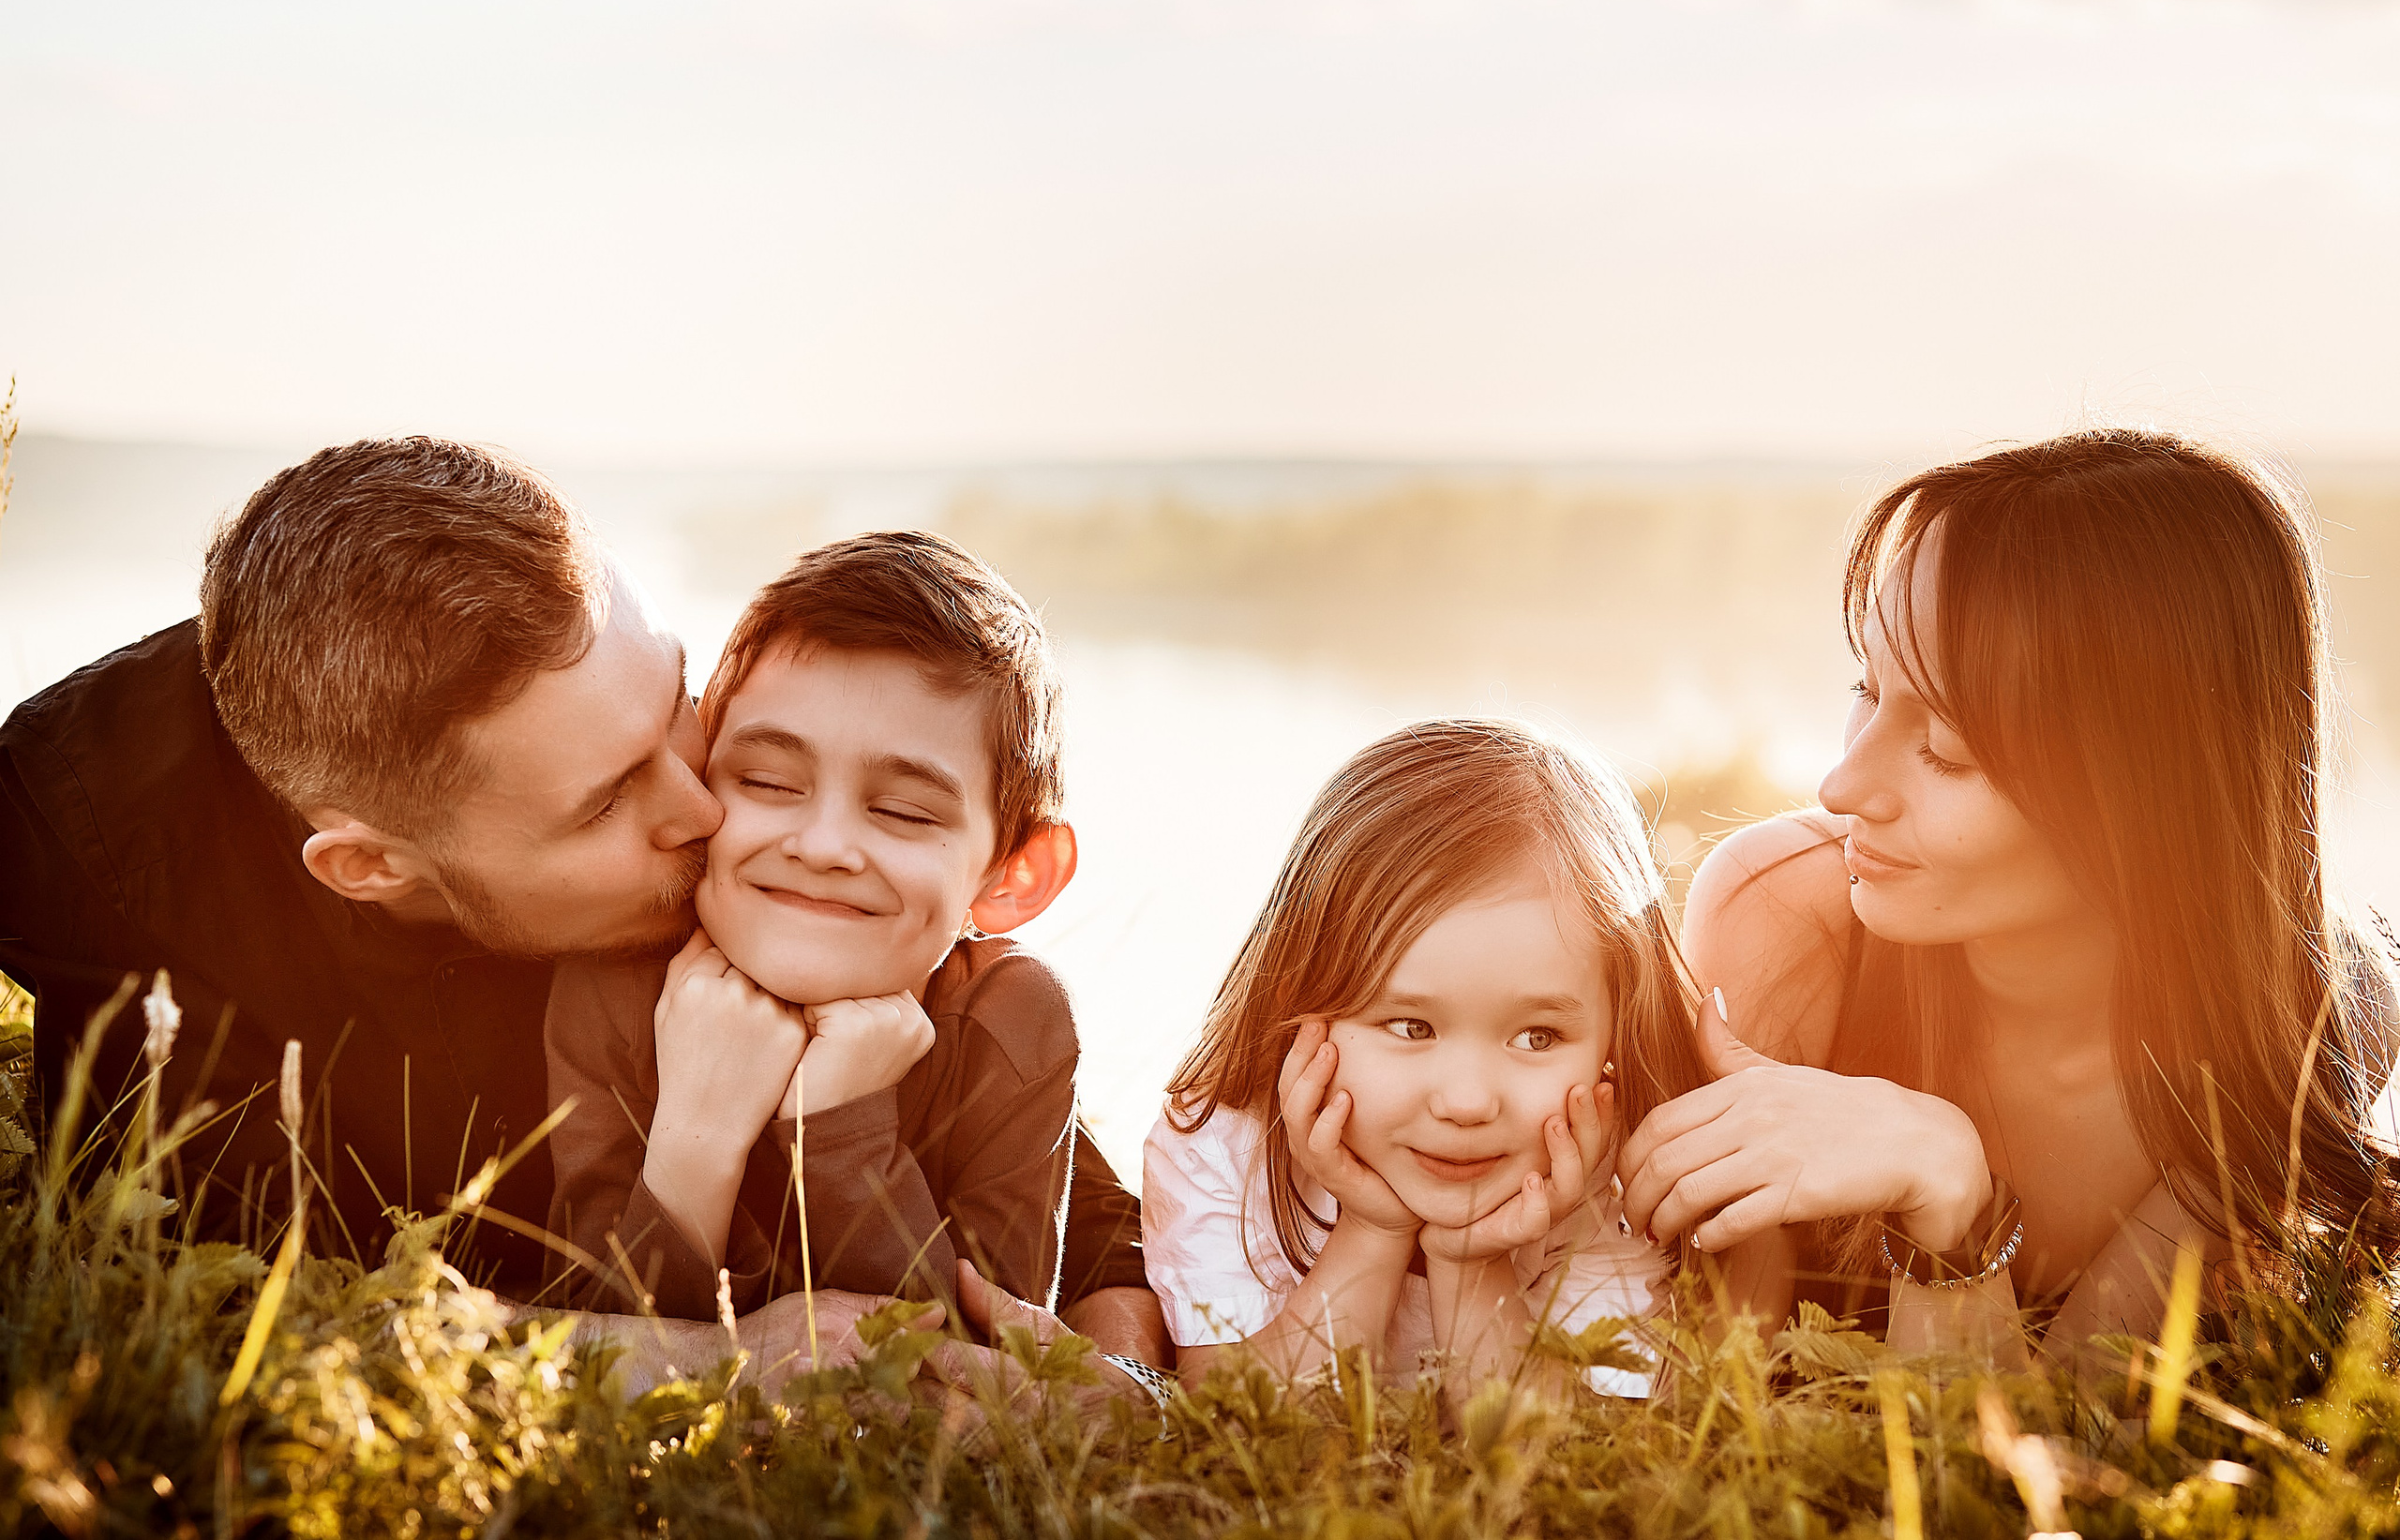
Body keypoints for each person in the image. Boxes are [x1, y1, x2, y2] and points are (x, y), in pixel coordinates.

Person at [0, 437, 1164, 1388]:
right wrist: (719, 1360)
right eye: (610, 800)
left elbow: (971, 1048)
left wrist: (1115, 1329)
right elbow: (258, 1317)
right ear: (374, 867)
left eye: (676, 701)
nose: (709, 807)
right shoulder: (95, 865)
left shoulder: (593, 697)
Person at [1617, 429, 2400, 1363]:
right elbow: (1701, 1373)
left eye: (1945, 749)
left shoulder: (2306, 1015)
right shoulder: (1784, 915)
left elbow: (2045, 1446)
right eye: (1866, 693)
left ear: (2144, 795)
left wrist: (1948, 1199)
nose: (1840, 785)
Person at [547, 531, 1086, 1323]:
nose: (824, 844)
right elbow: (610, 1352)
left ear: (1013, 875)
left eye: (902, 810)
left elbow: (989, 1372)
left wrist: (842, 1132)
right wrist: (697, 1134)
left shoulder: (1012, 1020)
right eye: (767, 781)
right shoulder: (612, 989)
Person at [1143, 717, 1703, 1400]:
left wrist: (1472, 1265)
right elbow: (1242, 1436)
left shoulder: (1607, 1189)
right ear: (1302, 997)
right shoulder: (1222, 1144)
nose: (1466, 1102)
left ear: (1617, 1038)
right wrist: (1372, 1235)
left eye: (1537, 1037)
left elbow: (1559, 1467)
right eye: (1411, 1026)